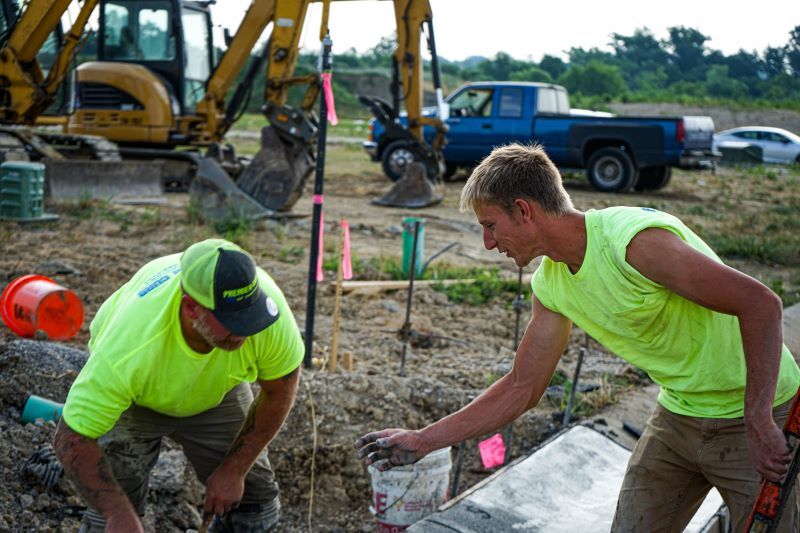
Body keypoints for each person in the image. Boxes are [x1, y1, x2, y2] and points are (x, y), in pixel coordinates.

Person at [355, 144, 800, 531]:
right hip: (678, 414)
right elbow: (522, 387)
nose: (490, 243)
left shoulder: (632, 243)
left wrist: (759, 419)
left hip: (758, 411)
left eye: (490, 225)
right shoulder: (551, 287)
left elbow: (760, 304)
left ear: (524, 210)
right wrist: (425, 440)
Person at [53, 238, 304, 532]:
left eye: (250, 315)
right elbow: (71, 438)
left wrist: (235, 469)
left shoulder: (266, 316)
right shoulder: (129, 349)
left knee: (254, 496)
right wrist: (115, 514)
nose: (246, 332)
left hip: (218, 389)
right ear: (192, 309)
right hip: (136, 397)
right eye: (233, 321)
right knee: (115, 507)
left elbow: (279, 391)